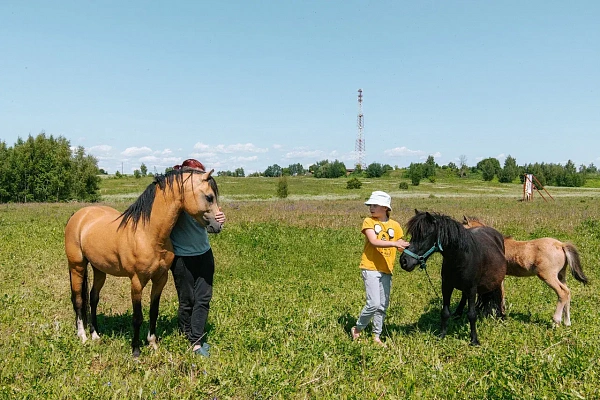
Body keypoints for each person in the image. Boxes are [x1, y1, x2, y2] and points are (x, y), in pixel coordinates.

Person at [169, 159, 226, 357]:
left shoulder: (200, 198)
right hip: (182, 257)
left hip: (204, 253)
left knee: (203, 298)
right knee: (187, 300)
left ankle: (195, 340)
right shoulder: (178, 202)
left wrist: (219, 219)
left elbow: (212, 220)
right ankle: (187, 336)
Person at [351, 191, 409, 346]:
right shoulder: (368, 222)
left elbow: (401, 244)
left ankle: (376, 336)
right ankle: (357, 328)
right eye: (370, 205)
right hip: (370, 267)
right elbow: (374, 240)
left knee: (382, 306)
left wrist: (408, 247)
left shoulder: (395, 226)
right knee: (373, 303)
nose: (371, 207)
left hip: (386, 269)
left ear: (385, 207)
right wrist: (394, 243)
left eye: (374, 205)